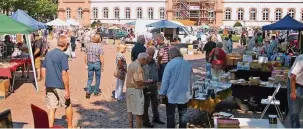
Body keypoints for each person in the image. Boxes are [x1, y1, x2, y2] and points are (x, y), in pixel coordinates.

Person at [41, 35, 74, 128]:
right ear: (67, 45)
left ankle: (50, 127)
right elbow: (64, 73)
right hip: (60, 85)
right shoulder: (63, 56)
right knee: (67, 105)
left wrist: (45, 83)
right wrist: (67, 89)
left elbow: (43, 69)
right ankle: (70, 126)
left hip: (49, 84)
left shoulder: (49, 54)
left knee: (51, 108)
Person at [159, 47, 192, 128]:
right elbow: (190, 79)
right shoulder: (187, 63)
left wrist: (162, 93)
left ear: (171, 55)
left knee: (170, 115)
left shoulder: (170, 64)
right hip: (184, 93)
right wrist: (190, 90)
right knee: (183, 114)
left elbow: (165, 80)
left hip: (172, 94)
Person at [126, 53, 154, 128]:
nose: (147, 63)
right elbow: (139, 82)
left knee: (130, 111)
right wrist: (149, 82)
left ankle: (131, 127)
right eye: (147, 61)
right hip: (136, 91)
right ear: (143, 59)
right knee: (139, 113)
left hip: (129, 90)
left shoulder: (132, 64)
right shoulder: (137, 67)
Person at [142, 47, 165, 127]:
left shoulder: (154, 62)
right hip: (147, 86)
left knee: (155, 103)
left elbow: (156, 71)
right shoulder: (143, 63)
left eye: (152, 54)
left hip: (154, 86)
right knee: (146, 105)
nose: (150, 56)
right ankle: (145, 121)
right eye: (149, 55)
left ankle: (156, 117)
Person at [85, 34, 104, 98]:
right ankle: (96, 92)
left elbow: (85, 56)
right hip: (97, 63)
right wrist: (103, 65)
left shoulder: (88, 45)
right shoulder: (100, 46)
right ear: (99, 40)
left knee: (90, 78)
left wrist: (85, 64)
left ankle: (88, 91)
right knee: (97, 78)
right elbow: (101, 57)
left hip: (90, 63)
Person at [288, 54, 303, 128]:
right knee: (295, 112)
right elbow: (292, 76)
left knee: (298, 110)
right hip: (295, 83)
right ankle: (295, 127)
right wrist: (293, 92)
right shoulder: (302, 59)